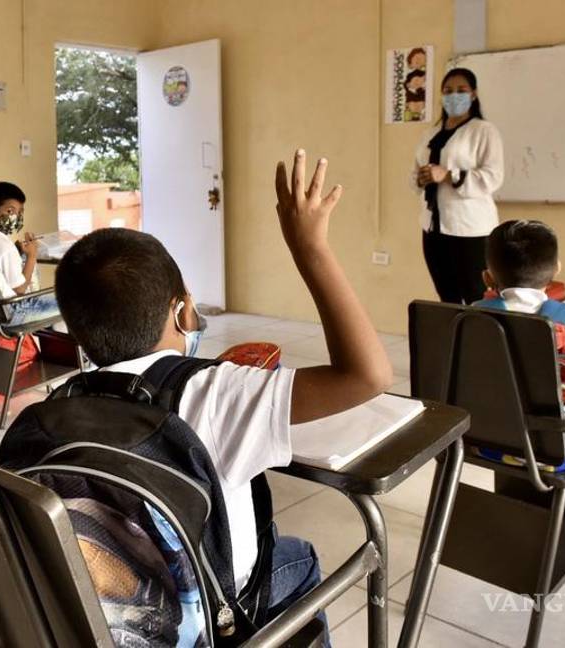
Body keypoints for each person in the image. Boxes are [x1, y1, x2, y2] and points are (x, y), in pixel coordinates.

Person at [53, 150, 393, 634]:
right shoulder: (215, 391)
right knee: (296, 558)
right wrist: (309, 248)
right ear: (181, 313)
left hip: (100, 619)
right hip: (206, 624)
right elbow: (368, 376)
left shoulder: (59, 404)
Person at [473, 219, 565, 470]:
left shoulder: (472, 318)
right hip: (555, 452)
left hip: (484, 440)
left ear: (487, 277)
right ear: (557, 269)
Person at [413, 67, 505, 304]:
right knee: (447, 294)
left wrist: (448, 175)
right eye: (448, 91)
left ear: (473, 94)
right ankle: (453, 339)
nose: (453, 96)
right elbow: (415, 171)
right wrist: (420, 178)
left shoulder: (484, 131)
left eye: (461, 90)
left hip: (470, 229)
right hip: (433, 227)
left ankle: (477, 340)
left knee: (476, 294)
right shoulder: (430, 133)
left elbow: (493, 177)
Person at [0, 181, 61, 326]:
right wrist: (32, 255)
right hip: (14, 311)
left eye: (20, 212)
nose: (16, 216)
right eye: (10, 211)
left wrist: (17, 251)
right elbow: (20, 290)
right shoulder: (5, 247)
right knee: (70, 302)